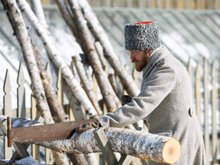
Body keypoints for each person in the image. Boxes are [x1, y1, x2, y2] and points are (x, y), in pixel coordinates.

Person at [77, 21, 207, 165]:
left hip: (176, 145)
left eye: (134, 51)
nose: (131, 58)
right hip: (166, 142)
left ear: (148, 49)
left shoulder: (166, 69)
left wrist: (101, 122)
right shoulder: (155, 66)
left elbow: (143, 105)